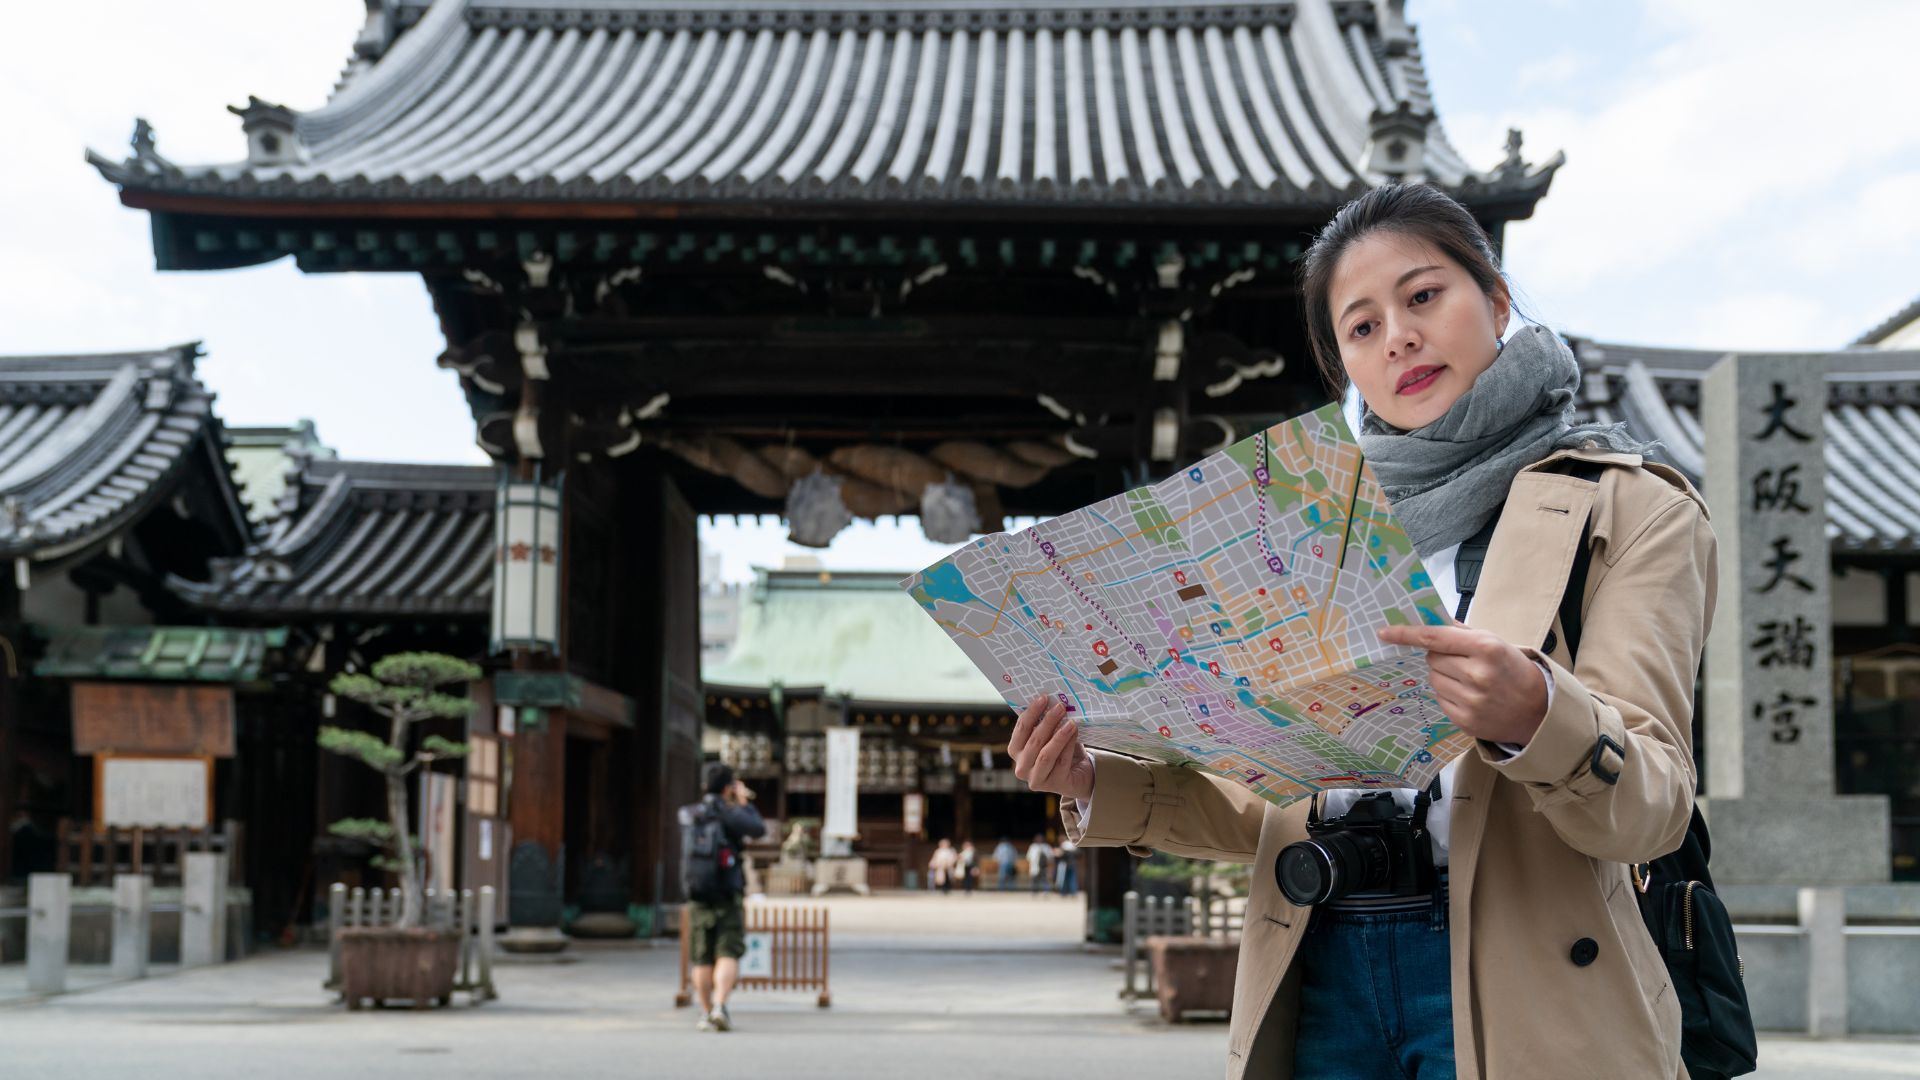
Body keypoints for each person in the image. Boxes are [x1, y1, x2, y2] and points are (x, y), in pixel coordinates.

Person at [1009, 183, 1713, 1078]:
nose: (1400, 339)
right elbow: (1273, 804)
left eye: (1423, 298)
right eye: (1362, 327)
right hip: (1318, 961)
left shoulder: (1630, 504)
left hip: (1524, 971)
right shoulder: (1306, 526)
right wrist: (1092, 779)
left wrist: (1539, 714)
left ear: (1495, 300)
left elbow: (1654, 803)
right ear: (1344, 365)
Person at [679, 762, 766, 1033]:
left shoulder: (689, 814)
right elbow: (758, 829)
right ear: (729, 787)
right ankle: (720, 1006)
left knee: (702, 957)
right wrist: (743, 802)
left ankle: (705, 1013)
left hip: (697, 894)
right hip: (727, 894)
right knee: (728, 951)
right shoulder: (730, 815)